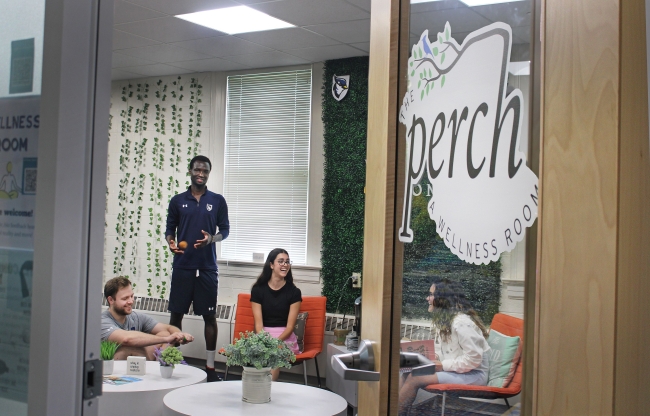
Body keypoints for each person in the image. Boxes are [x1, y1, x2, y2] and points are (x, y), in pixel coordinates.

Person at [165, 155, 229, 381]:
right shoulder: (177, 201)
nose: (200, 174)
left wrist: (211, 239)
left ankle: (210, 369)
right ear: (190, 171)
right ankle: (174, 365)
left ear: (209, 174)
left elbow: (226, 231)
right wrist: (170, 242)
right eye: (197, 170)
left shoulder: (218, 201)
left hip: (207, 269)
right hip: (183, 267)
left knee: (209, 318)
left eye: (205, 171)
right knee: (176, 317)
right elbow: (169, 229)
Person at [398, 278, 491, 414]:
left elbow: (473, 359)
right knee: (407, 370)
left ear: (442, 299)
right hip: (460, 370)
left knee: (415, 377)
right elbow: (451, 352)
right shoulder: (446, 321)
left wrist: (441, 365)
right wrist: (430, 357)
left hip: (474, 374)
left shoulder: (461, 323)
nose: (427, 298)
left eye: (431, 294)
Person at [101, 277, 194, 360]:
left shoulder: (136, 317)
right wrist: (167, 339)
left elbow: (168, 328)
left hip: (140, 361)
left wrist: (180, 335)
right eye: (125, 298)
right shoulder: (103, 321)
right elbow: (127, 339)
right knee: (127, 348)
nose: (130, 301)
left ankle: (161, 369)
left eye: (132, 296)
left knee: (165, 333)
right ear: (111, 300)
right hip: (115, 367)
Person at [250, 248, 302, 381]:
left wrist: (274, 342)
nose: (285, 264)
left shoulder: (294, 292)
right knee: (259, 352)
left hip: (284, 337)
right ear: (271, 265)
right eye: (281, 261)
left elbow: (290, 327)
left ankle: (268, 389)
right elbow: (258, 324)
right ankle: (256, 390)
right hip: (263, 335)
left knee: (273, 353)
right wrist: (264, 341)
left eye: (287, 262)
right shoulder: (258, 290)